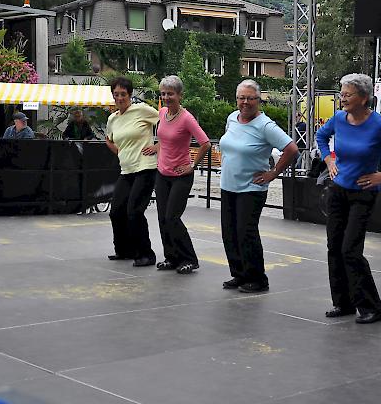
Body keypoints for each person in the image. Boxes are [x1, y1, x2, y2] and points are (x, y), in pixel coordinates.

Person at [316, 73, 381, 324]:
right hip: (338, 191)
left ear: (364, 98)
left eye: (347, 95)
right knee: (334, 248)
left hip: (363, 194)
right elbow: (320, 137)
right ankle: (343, 303)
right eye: (341, 94)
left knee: (350, 250)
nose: (342, 99)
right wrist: (329, 160)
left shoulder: (379, 125)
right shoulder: (339, 119)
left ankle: (371, 307)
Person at [219, 80, 299, 293]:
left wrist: (273, 173)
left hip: (251, 188)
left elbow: (291, 149)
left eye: (250, 98)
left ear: (259, 100)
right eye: (241, 98)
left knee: (246, 233)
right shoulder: (231, 119)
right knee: (230, 232)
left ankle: (257, 278)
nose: (245, 102)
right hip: (228, 185)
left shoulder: (265, 126)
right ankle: (239, 273)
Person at [142, 75, 210, 274]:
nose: (166, 97)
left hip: (181, 175)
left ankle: (189, 258)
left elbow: (205, 143)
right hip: (162, 174)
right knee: (163, 218)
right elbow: (165, 138)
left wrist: (192, 165)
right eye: (163, 93)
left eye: (170, 94)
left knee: (172, 217)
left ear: (180, 95)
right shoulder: (162, 113)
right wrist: (157, 148)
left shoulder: (187, 118)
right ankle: (171, 257)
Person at [105, 77, 159, 267]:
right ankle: (124, 250)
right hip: (126, 170)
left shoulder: (142, 110)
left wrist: (158, 146)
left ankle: (146, 254)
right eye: (116, 94)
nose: (119, 98)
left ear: (130, 94)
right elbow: (108, 139)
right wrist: (120, 152)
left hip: (145, 168)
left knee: (134, 211)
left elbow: (168, 123)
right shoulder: (113, 118)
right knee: (116, 211)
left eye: (123, 94)